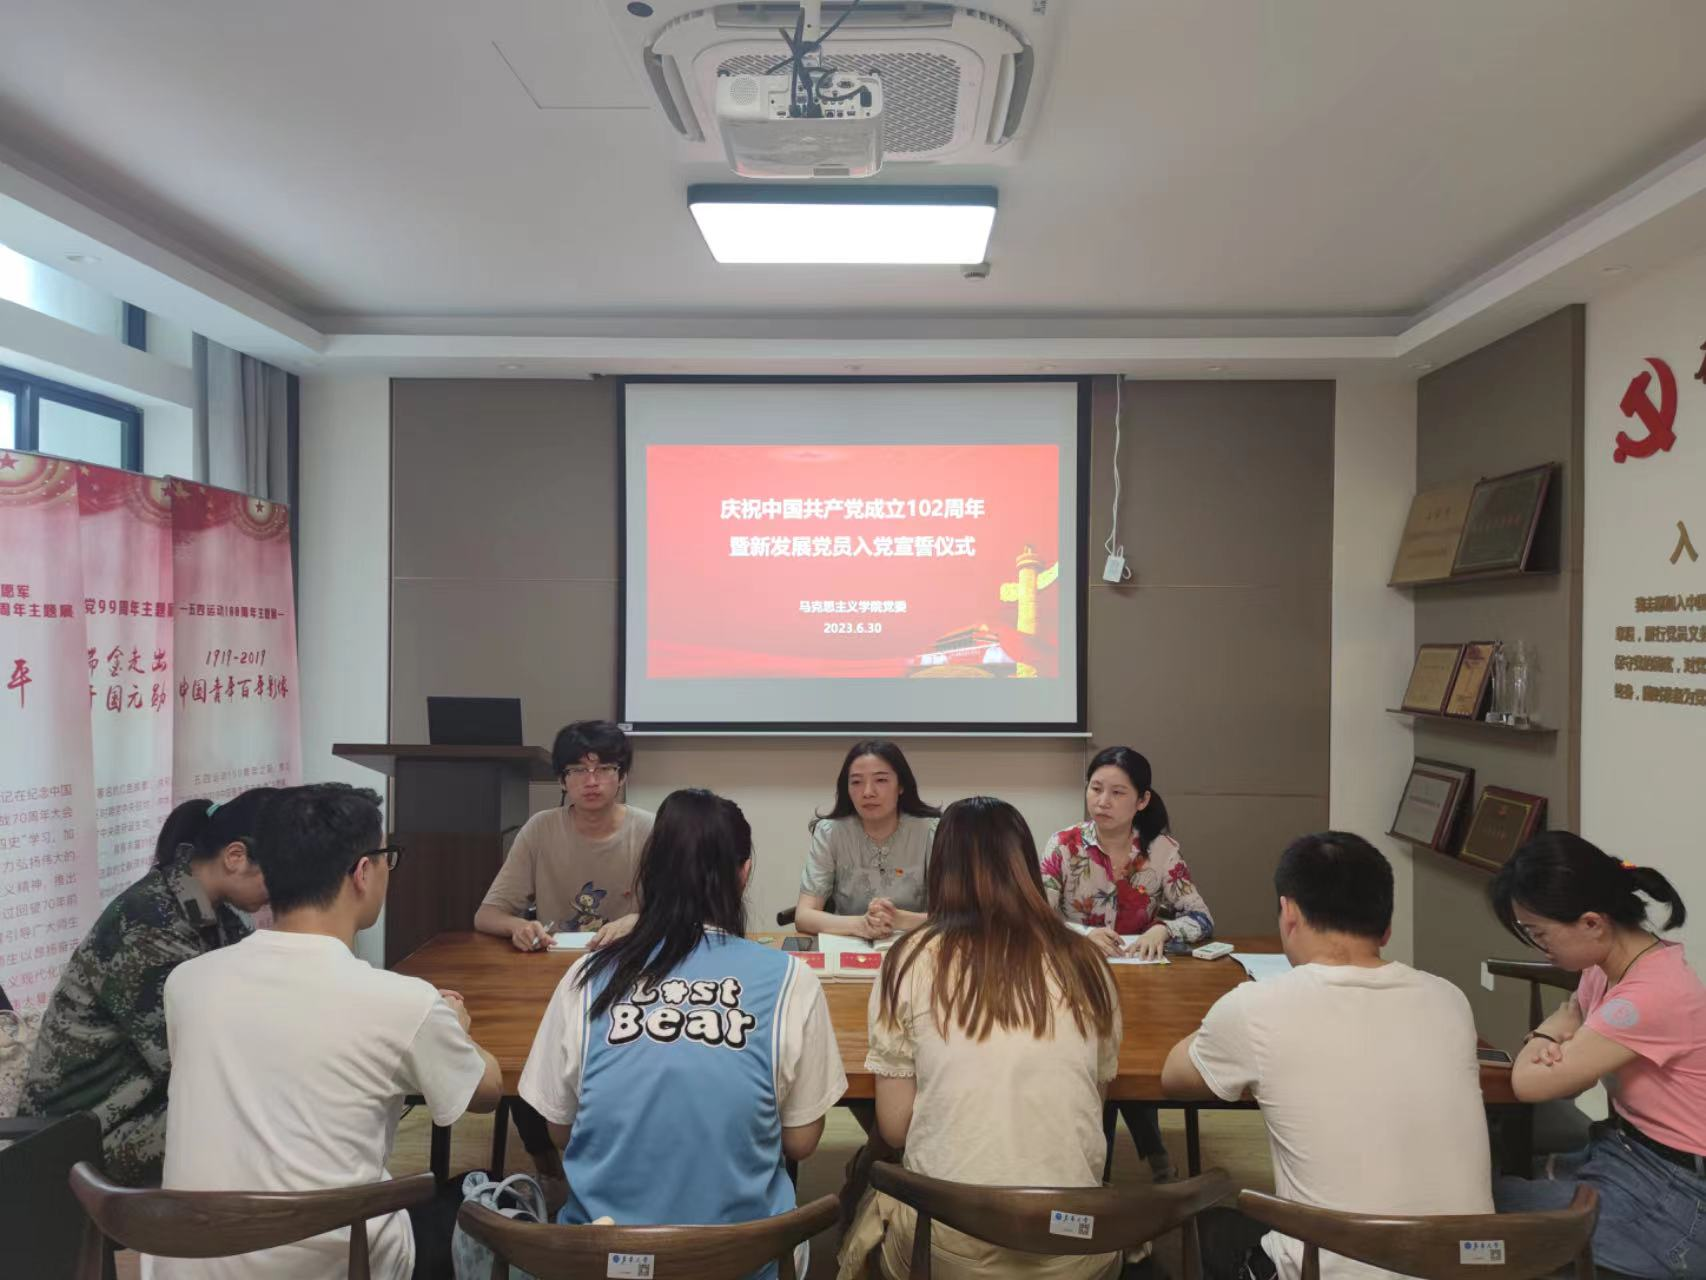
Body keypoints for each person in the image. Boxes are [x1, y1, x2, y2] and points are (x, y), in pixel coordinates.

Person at [148, 783, 502, 1280]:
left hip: (192, 1264)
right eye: (387, 858)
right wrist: (457, 1030)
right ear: (363, 873)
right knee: (488, 1195)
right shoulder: (404, 1003)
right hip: (338, 1265)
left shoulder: (187, 983)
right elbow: (487, 1092)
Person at [519, 788, 845, 1280]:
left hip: (603, 1260)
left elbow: (560, 1131)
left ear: (650, 872)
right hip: (745, 1263)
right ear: (744, 873)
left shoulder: (587, 977)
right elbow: (800, 1142)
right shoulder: (789, 979)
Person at [1160, 832, 1491, 1280]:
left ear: (1289, 913)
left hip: (1326, 1270)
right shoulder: (1449, 1000)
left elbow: (1174, 1078)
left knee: (1211, 1226)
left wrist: (1226, 1022)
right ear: (1386, 928)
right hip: (1468, 1266)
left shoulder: (1256, 1007)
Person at [838, 796, 1123, 1280]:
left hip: (944, 1249)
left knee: (867, 1201)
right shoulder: (1086, 961)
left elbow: (896, 1128)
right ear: (1025, 865)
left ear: (941, 869)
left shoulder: (909, 960)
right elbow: (1092, 1101)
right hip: (1073, 1245)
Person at [19, 788, 277, 1186]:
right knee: (254, 1121)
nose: (279, 892)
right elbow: (196, 1062)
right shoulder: (148, 925)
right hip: (79, 1140)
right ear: (235, 857)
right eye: (277, 874)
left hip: (137, 1111)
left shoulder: (214, 914)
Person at [1489, 833, 1705, 1279]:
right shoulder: (1607, 968)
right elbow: (1578, 1076)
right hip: (1628, 1153)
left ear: (1592, 923)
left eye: (1539, 933)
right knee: (1481, 1189)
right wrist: (1563, 1035)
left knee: (1482, 1207)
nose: (1539, 947)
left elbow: (1531, 1083)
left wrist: (1552, 1028)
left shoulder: (1649, 996)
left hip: (1677, 1193)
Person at [1042, 746, 1212, 1181]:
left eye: (1117, 793)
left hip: (1142, 988)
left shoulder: (1161, 851)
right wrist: (1082, 935)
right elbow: (1037, 917)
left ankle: (1113, 1170)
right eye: (1096, 789)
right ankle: (1143, 1160)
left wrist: (1163, 930)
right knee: (1099, 1063)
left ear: (1142, 800)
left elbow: (1201, 918)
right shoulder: (1064, 845)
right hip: (1076, 983)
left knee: (1129, 1062)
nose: (1102, 801)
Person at [475, 720, 653, 953]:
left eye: (604, 769)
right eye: (578, 770)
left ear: (622, 776)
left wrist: (638, 920)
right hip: (555, 960)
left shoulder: (651, 829)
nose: (591, 781)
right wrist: (519, 926)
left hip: (626, 958)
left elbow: (682, 913)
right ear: (561, 780)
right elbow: (487, 915)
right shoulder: (540, 829)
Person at [796, 740, 941, 940]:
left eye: (881, 780)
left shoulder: (931, 831)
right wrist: (861, 925)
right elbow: (804, 916)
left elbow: (956, 917)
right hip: (848, 945)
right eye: (856, 782)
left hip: (916, 946)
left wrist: (899, 920)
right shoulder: (831, 833)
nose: (868, 792)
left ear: (901, 785)